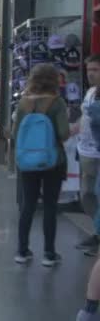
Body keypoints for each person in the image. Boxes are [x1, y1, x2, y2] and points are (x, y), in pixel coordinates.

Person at [12, 64, 69, 267]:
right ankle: (49, 253)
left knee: (27, 205)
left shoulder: (23, 103)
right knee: (50, 206)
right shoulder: (57, 103)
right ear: (54, 80)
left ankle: (22, 250)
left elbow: (14, 134)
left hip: (27, 162)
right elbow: (63, 133)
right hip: (53, 161)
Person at [75, 54, 100, 256]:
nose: (90, 74)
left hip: (97, 153)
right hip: (86, 151)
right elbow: (84, 119)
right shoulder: (91, 92)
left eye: (95, 70)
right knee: (87, 195)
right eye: (89, 70)